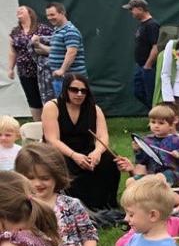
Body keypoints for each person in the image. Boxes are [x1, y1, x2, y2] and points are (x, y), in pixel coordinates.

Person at [39, 73, 120, 213]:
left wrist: (97, 152)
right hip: (61, 151)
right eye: (74, 90)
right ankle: (77, 209)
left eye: (83, 91)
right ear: (65, 89)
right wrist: (74, 155)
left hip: (87, 149)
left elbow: (103, 136)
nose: (79, 94)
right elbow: (52, 139)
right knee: (66, 165)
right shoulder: (52, 107)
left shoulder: (94, 108)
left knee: (109, 160)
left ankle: (105, 204)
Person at [7, 5, 54, 117]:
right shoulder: (15, 32)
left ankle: (50, 122)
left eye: (22, 9)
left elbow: (55, 45)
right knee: (32, 98)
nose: (18, 10)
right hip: (24, 72)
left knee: (47, 97)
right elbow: (12, 52)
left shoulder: (43, 29)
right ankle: (37, 123)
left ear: (30, 13)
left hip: (43, 70)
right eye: (17, 10)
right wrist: (10, 69)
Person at [38, 3, 86, 97]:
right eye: (47, 15)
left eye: (52, 14)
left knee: (71, 106)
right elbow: (54, 51)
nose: (49, 18)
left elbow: (71, 52)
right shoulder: (57, 30)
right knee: (63, 106)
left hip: (72, 79)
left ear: (62, 13)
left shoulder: (70, 31)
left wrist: (62, 70)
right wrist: (38, 45)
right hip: (61, 79)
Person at [124, 0, 160, 108]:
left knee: (151, 95)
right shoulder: (142, 24)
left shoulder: (152, 25)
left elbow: (156, 46)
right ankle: (155, 114)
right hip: (140, 66)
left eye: (132, 9)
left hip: (149, 67)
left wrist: (148, 65)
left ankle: (158, 118)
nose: (131, 12)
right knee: (138, 92)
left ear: (140, 9)